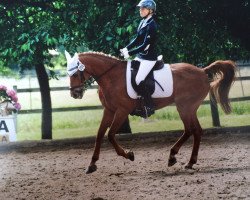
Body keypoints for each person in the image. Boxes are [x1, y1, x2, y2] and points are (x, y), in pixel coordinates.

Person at [120, 0, 158, 116]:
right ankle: (134, 104)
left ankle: (149, 106)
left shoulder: (152, 25)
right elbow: (137, 39)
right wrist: (126, 48)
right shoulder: (143, 22)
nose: (140, 10)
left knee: (138, 80)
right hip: (141, 56)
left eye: (143, 9)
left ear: (150, 11)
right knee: (129, 75)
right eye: (140, 8)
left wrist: (130, 53)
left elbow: (144, 46)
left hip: (149, 58)